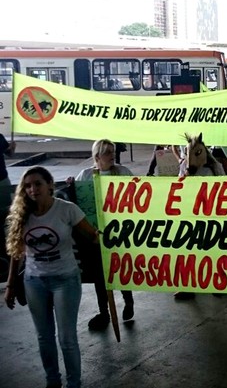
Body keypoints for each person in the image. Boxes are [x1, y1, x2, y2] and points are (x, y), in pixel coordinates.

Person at [4, 166, 99, 388]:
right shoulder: (22, 215)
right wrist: (10, 285)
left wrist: (106, 238)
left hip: (65, 279)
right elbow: (16, 254)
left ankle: (74, 383)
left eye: (37, 184)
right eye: (27, 186)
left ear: (50, 185)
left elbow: (92, 235)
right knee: (44, 338)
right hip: (34, 281)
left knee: (67, 339)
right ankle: (52, 381)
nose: (32, 189)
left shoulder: (67, 209)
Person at [71, 139, 135, 330]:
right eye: (107, 152)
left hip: (119, 232)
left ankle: (128, 301)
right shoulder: (85, 175)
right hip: (95, 234)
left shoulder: (123, 172)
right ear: (97, 156)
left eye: (112, 152)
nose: (111, 155)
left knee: (120, 268)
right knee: (100, 275)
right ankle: (104, 311)